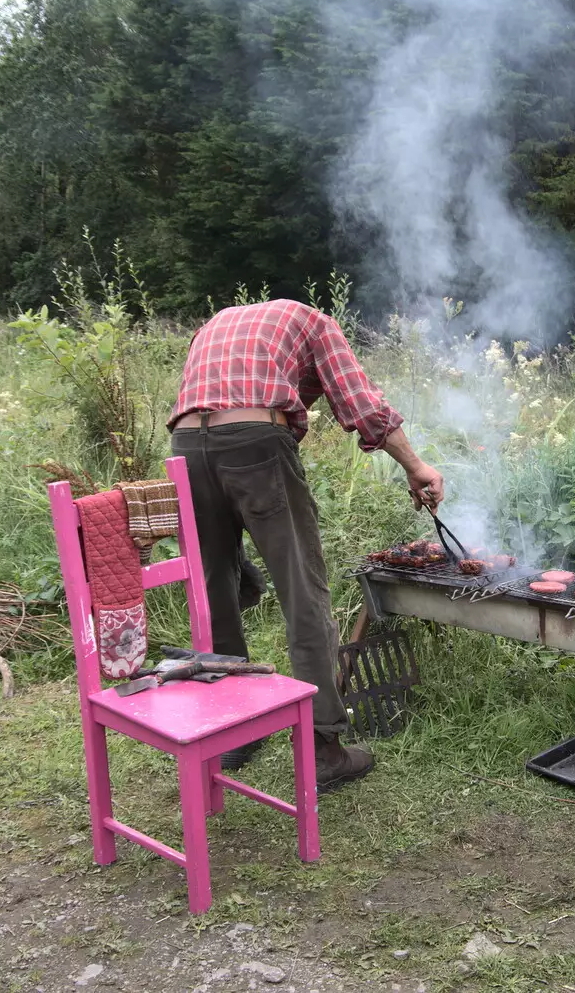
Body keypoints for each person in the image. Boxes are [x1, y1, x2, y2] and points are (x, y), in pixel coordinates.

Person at [168, 299, 444, 791]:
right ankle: (322, 749)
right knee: (303, 590)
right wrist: (416, 466)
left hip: (186, 447)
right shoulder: (315, 322)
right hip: (254, 444)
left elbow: (215, 405)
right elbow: (363, 406)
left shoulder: (218, 323)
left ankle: (233, 731)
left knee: (215, 588)